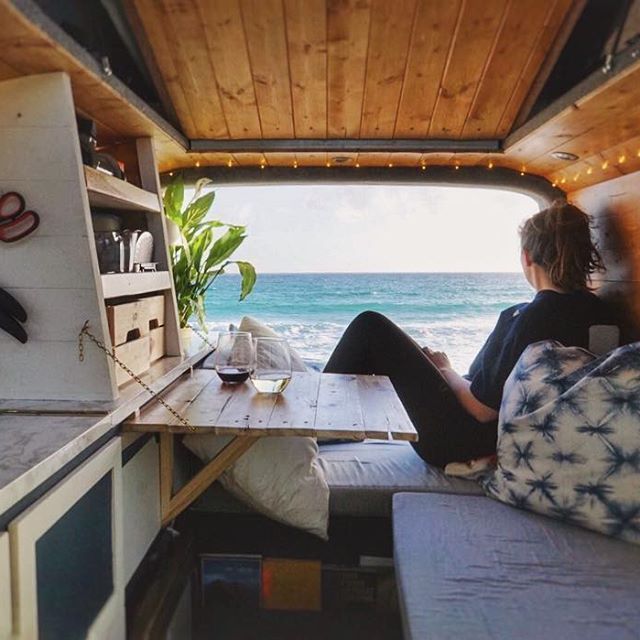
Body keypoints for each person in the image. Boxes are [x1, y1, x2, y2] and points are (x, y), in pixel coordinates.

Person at [323, 201, 613, 468]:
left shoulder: (532, 317)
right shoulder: (597, 313)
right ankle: (335, 424)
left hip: (461, 441)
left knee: (370, 327)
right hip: (491, 434)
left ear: (526, 257)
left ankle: (319, 423)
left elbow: (482, 409)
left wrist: (445, 370)